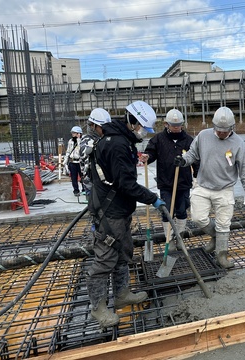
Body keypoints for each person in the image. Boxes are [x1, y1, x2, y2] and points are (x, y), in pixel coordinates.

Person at [86, 100, 166, 328]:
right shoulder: (117, 144)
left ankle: (121, 294)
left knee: (123, 253)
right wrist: (153, 198)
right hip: (110, 213)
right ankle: (98, 308)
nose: (143, 132)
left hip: (119, 210)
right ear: (130, 121)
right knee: (105, 260)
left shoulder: (122, 141)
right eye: (141, 127)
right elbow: (126, 184)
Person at [174, 106, 245, 269]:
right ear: (214, 126)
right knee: (198, 218)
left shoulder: (238, 143)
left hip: (224, 189)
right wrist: (183, 161)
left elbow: (244, 168)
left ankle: (221, 255)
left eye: (225, 131)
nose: (221, 134)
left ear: (232, 128)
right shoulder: (203, 136)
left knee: (224, 223)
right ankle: (217, 237)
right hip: (203, 186)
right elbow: (192, 154)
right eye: (218, 130)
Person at [140, 109, 199, 251]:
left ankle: (179, 237)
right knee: (167, 211)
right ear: (167, 124)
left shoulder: (189, 140)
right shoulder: (159, 139)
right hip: (166, 182)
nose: (176, 127)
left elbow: (196, 158)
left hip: (183, 182)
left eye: (178, 124)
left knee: (182, 210)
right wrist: (147, 156)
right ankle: (169, 238)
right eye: (173, 125)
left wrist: (197, 175)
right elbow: (151, 152)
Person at [80, 108, 112, 201]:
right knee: (95, 208)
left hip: (105, 182)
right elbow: (84, 152)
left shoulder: (106, 139)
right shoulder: (87, 140)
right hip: (91, 182)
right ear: (92, 126)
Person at [63, 125, 84, 196]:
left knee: (83, 176)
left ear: (79, 134)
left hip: (80, 162)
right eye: (72, 133)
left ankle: (85, 189)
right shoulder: (70, 141)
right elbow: (68, 151)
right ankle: (76, 190)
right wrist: (65, 160)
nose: (72, 134)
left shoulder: (83, 141)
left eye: (74, 133)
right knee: (73, 177)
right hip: (72, 162)